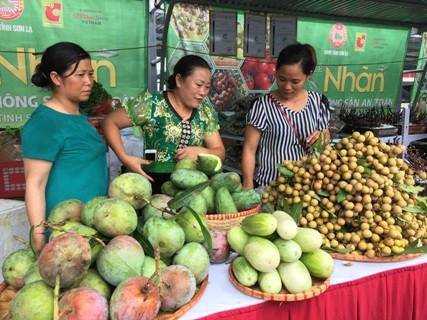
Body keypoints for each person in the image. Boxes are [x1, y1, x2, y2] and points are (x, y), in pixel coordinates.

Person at [21, 42, 109, 250]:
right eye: (80, 75)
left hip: (93, 226)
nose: (89, 82)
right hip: (65, 234)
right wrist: (39, 242)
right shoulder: (45, 122)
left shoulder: (79, 115)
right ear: (55, 78)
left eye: (91, 74)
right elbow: (35, 185)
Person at [102, 54, 225, 193]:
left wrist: (201, 152)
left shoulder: (206, 113)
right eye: (198, 85)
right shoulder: (152, 103)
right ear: (179, 80)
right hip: (154, 184)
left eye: (207, 87)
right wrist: (124, 158)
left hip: (191, 188)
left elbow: (219, 151)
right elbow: (110, 122)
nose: (203, 92)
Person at [241, 43, 330, 190]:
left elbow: (325, 135)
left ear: (308, 75)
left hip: (306, 188)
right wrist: (248, 183)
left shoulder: (319, 102)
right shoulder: (262, 105)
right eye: (282, 79)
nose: (287, 87)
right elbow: (249, 148)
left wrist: (322, 138)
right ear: (275, 71)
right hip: (269, 187)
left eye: (295, 81)